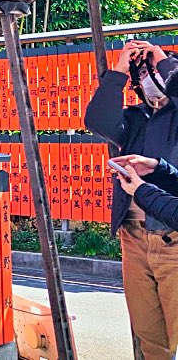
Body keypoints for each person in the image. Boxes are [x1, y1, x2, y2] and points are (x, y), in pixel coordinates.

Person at [85, 38, 178, 360]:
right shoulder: (136, 118)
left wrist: (162, 61)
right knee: (149, 338)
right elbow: (97, 121)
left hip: (174, 238)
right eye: (145, 73)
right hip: (135, 237)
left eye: (157, 71)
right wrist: (121, 70)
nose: (151, 78)